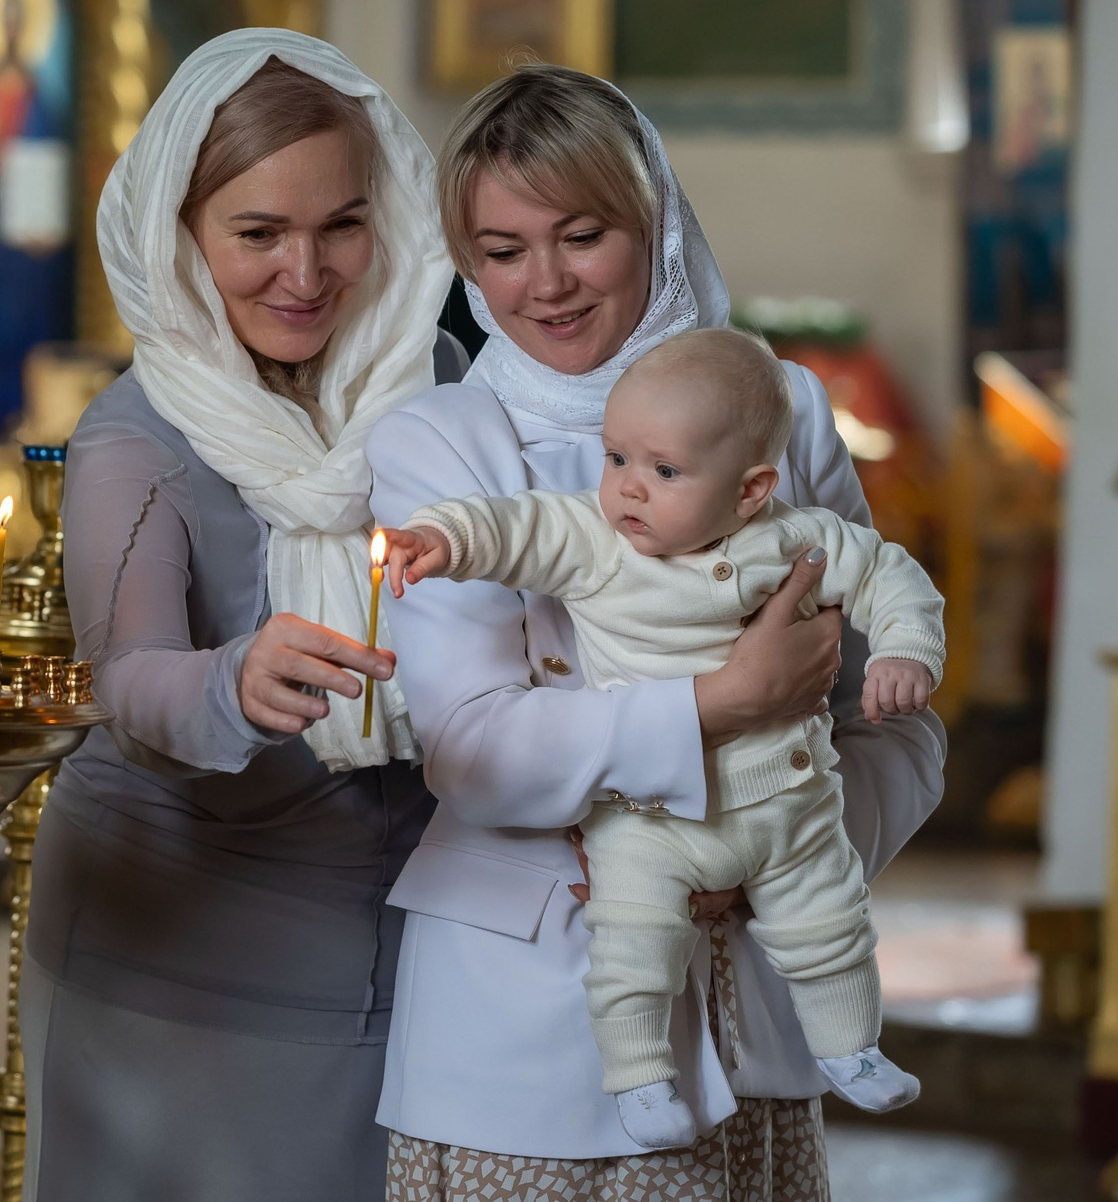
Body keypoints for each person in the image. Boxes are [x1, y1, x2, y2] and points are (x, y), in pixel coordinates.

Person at [366, 66, 946, 1200]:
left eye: (581, 234)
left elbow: (900, 727)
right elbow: (473, 747)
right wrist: (722, 706)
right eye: (498, 249)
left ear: (657, 221)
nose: (543, 283)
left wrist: (776, 854)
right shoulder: (442, 445)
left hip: (756, 1015)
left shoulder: (782, 406)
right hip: (520, 1022)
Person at [19, 28, 459, 1199]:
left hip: (420, 927)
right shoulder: (136, 436)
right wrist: (236, 683)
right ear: (179, 237)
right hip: (182, 949)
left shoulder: (443, 386)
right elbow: (129, 673)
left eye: (341, 226)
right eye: (257, 234)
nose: (305, 274)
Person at [379, 327, 939, 1150]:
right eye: (616, 460)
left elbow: (889, 574)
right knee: (633, 944)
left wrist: (903, 647)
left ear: (751, 491)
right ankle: (639, 1076)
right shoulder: (596, 541)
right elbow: (514, 529)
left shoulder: (790, 537)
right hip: (647, 815)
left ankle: (852, 1048)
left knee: (830, 923)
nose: (629, 490)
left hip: (785, 797)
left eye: (664, 472)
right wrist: (445, 540)